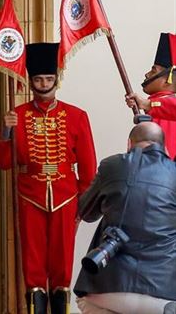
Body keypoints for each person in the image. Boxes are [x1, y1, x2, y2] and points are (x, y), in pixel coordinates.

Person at [0, 43, 97, 314]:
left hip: (66, 198)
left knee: (62, 266)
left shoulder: (77, 116)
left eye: (49, 79)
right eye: (38, 80)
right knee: (33, 265)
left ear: (57, 80)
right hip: (30, 197)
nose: (43, 85)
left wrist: (82, 205)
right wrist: (6, 133)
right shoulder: (16, 116)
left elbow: (88, 170)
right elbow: (5, 164)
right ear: (30, 81)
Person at [74, 122, 176, 314]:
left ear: (129, 144)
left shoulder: (111, 165)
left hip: (108, 289)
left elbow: (86, 212)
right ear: (166, 148)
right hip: (165, 293)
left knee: (85, 301)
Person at [126, 32, 176, 158]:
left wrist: (147, 104)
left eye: (153, 71)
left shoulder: (163, 111)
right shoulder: (157, 108)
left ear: (167, 79)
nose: (147, 75)